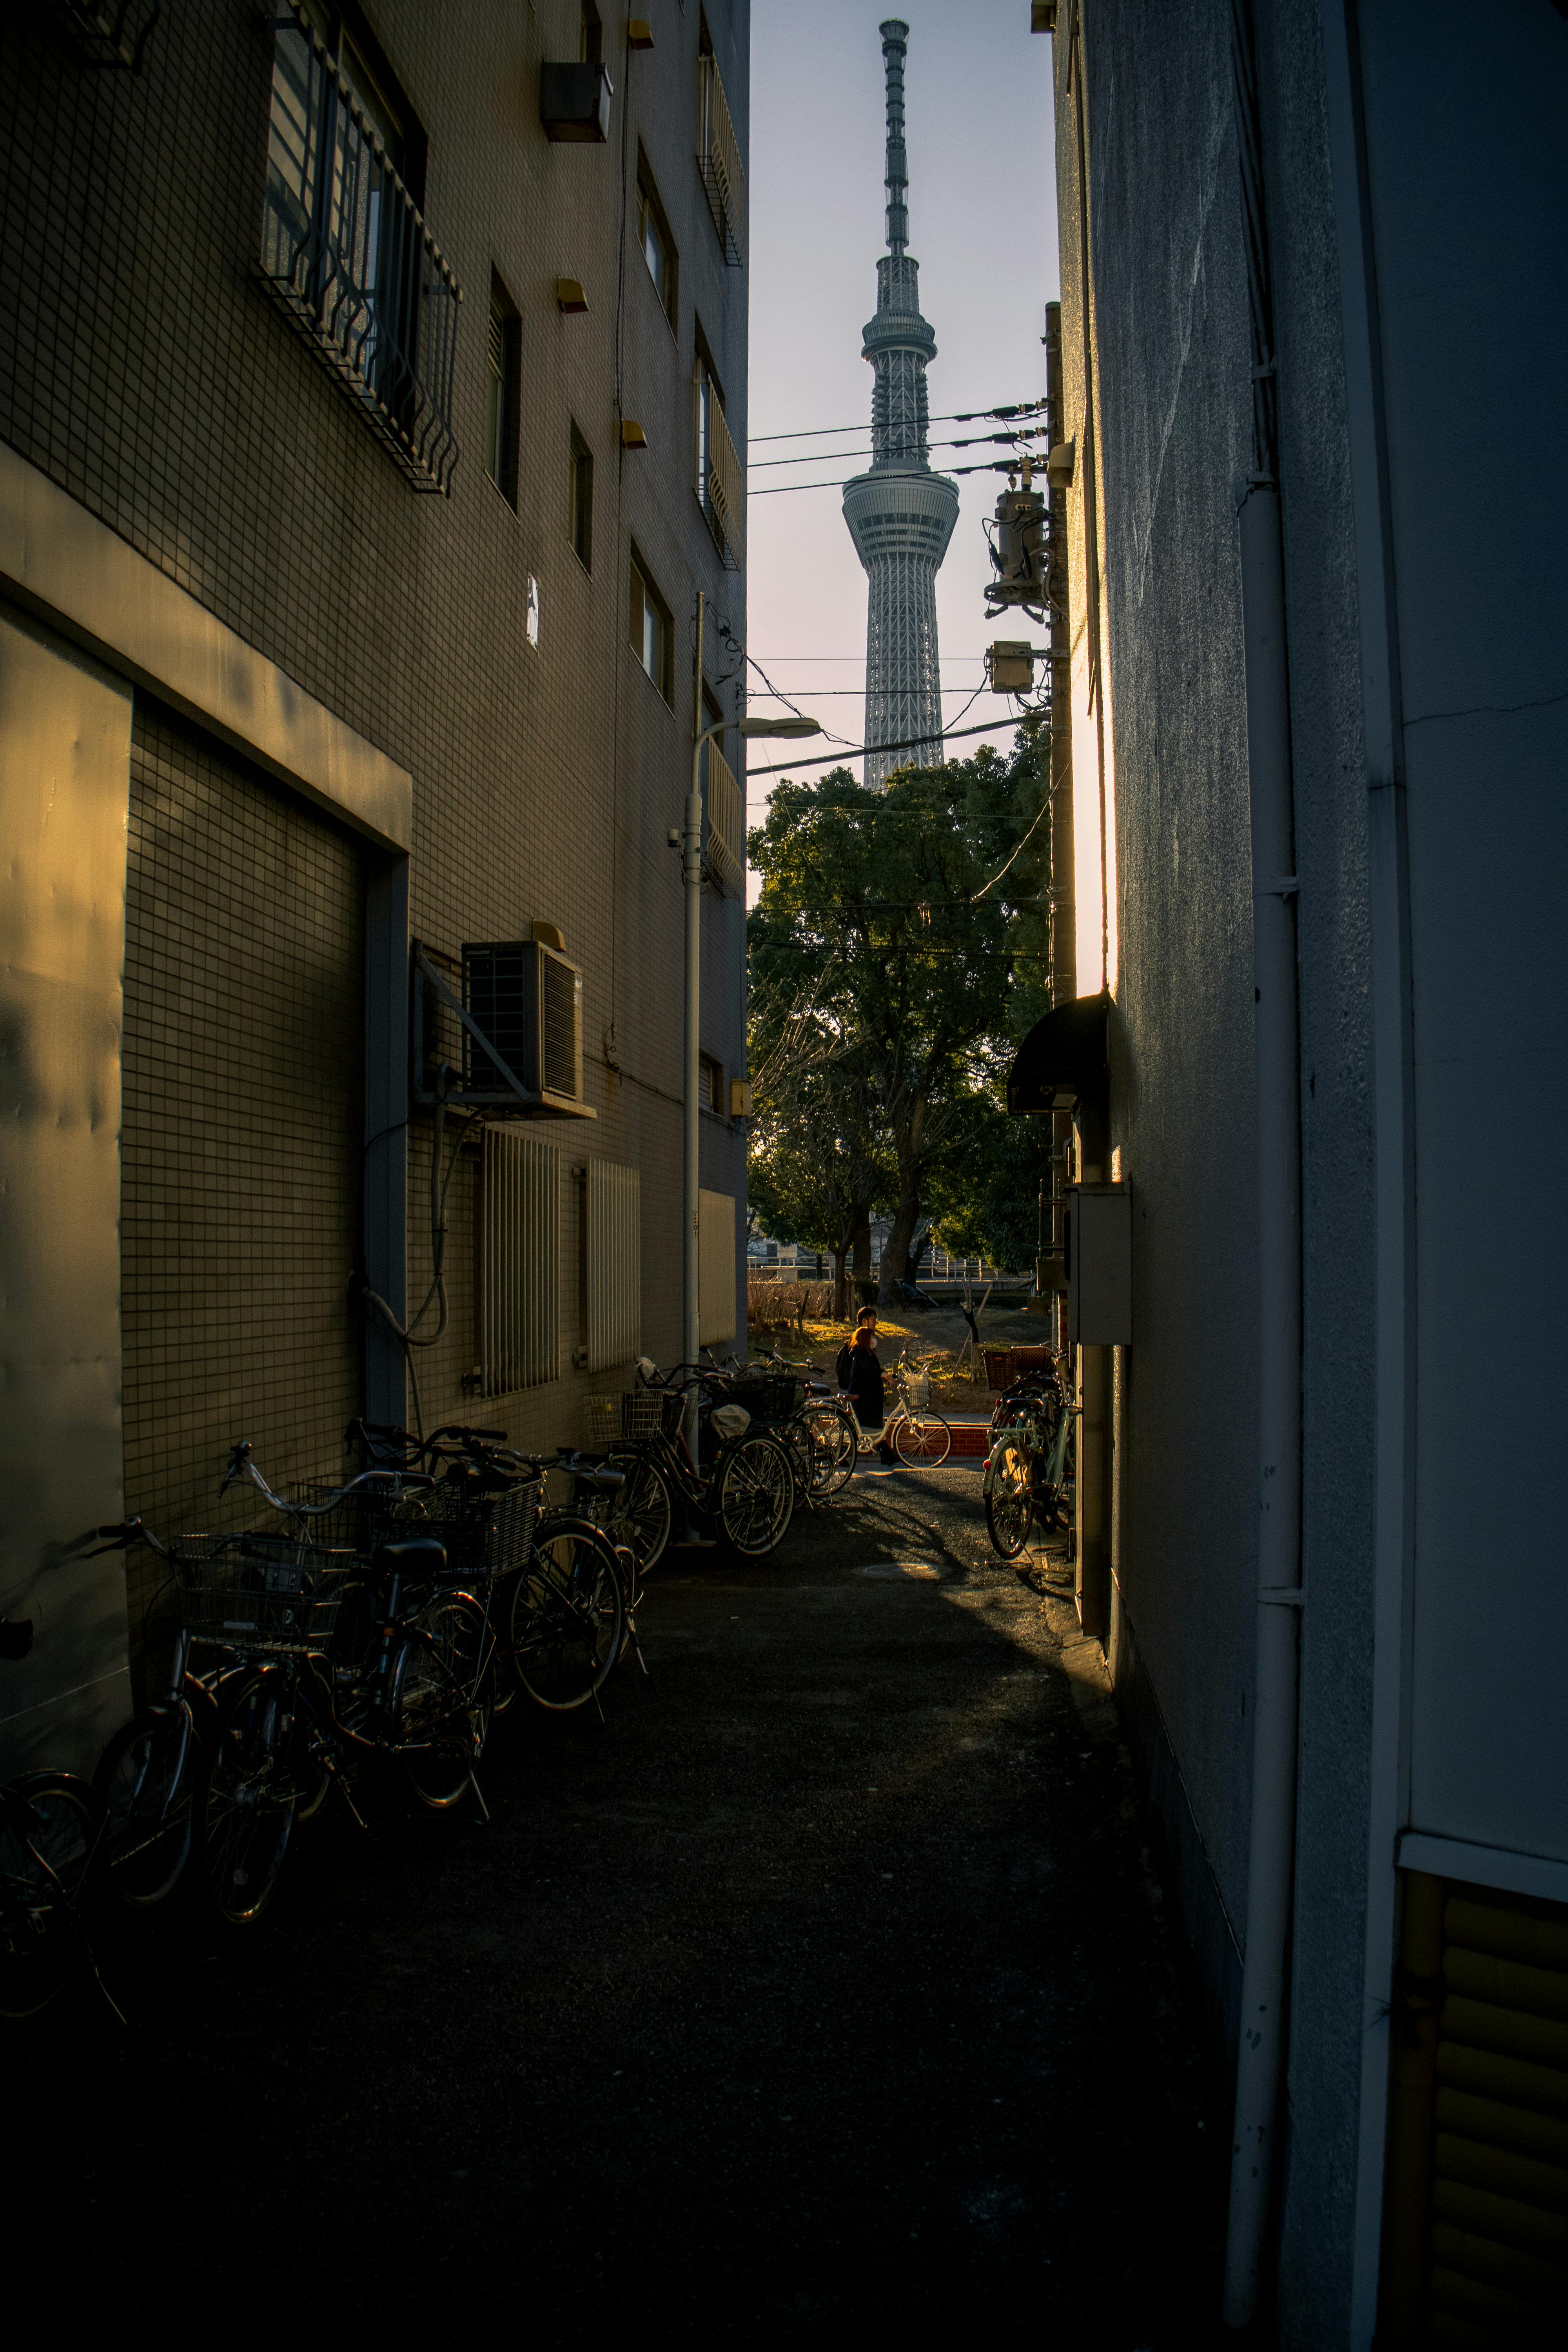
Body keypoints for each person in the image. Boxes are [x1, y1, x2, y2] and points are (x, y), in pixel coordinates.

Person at [843, 1322, 896, 1466]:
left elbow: (873, 1371)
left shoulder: (868, 1353)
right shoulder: (860, 1354)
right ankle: (886, 1456)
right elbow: (872, 1370)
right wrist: (882, 1374)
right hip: (864, 1399)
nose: (875, 1341)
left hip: (869, 1398)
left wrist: (887, 1375)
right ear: (867, 1339)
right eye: (872, 1338)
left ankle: (887, 1456)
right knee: (869, 1427)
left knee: (876, 1426)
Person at [835, 1305, 878, 1393]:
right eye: (873, 1320)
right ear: (865, 1321)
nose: (876, 1324)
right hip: (859, 1389)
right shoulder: (859, 1341)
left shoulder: (868, 1338)